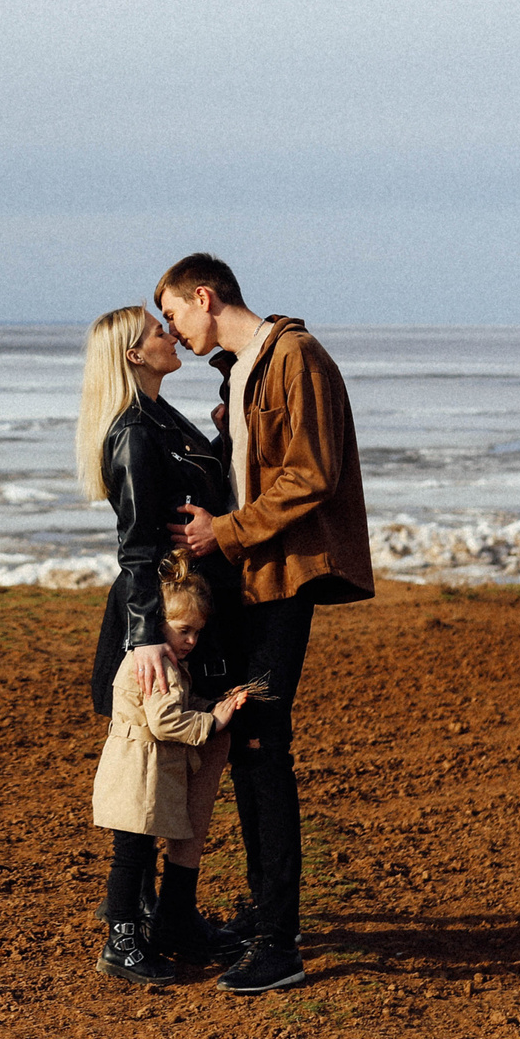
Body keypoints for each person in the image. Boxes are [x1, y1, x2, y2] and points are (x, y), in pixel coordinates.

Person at [157, 253, 374, 994]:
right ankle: (265, 917)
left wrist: (228, 529)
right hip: (256, 581)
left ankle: (280, 942)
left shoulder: (295, 355)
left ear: (205, 297)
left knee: (261, 747)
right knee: (252, 748)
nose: (172, 329)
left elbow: (313, 473)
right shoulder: (246, 369)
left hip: (284, 579)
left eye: (175, 312)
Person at [76, 305, 245, 965]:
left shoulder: (163, 419)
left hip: (186, 614)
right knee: (145, 774)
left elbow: (211, 499)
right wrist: (147, 636)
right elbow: (136, 548)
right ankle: (126, 932)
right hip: (159, 623)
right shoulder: (133, 434)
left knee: (185, 771)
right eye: (156, 330)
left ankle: (171, 918)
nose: (169, 334)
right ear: (132, 355)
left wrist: (225, 438)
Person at [89, 553, 249, 984]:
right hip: (137, 774)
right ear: (158, 623)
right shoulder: (158, 667)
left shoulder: (167, 663)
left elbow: (172, 708)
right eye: (184, 630)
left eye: (198, 631)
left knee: (136, 855)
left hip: (139, 772)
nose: (192, 641)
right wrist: (212, 722)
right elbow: (165, 720)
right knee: (131, 858)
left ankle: (129, 936)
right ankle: (120, 943)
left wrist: (212, 706)